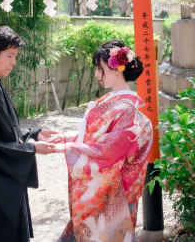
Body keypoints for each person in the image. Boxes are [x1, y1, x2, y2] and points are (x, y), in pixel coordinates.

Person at [0, 25, 62, 242]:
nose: (13, 62)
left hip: (1, 186)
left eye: (14, 56)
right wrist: (31, 148)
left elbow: (8, 132)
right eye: (10, 56)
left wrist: (36, 134)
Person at [54, 39, 153, 242]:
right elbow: (97, 138)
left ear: (116, 69)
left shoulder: (126, 109)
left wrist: (65, 147)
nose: (97, 74)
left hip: (114, 193)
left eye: (100, 69)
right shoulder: (111, 101)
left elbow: (108, 150)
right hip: (106, 188)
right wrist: (66, 138)